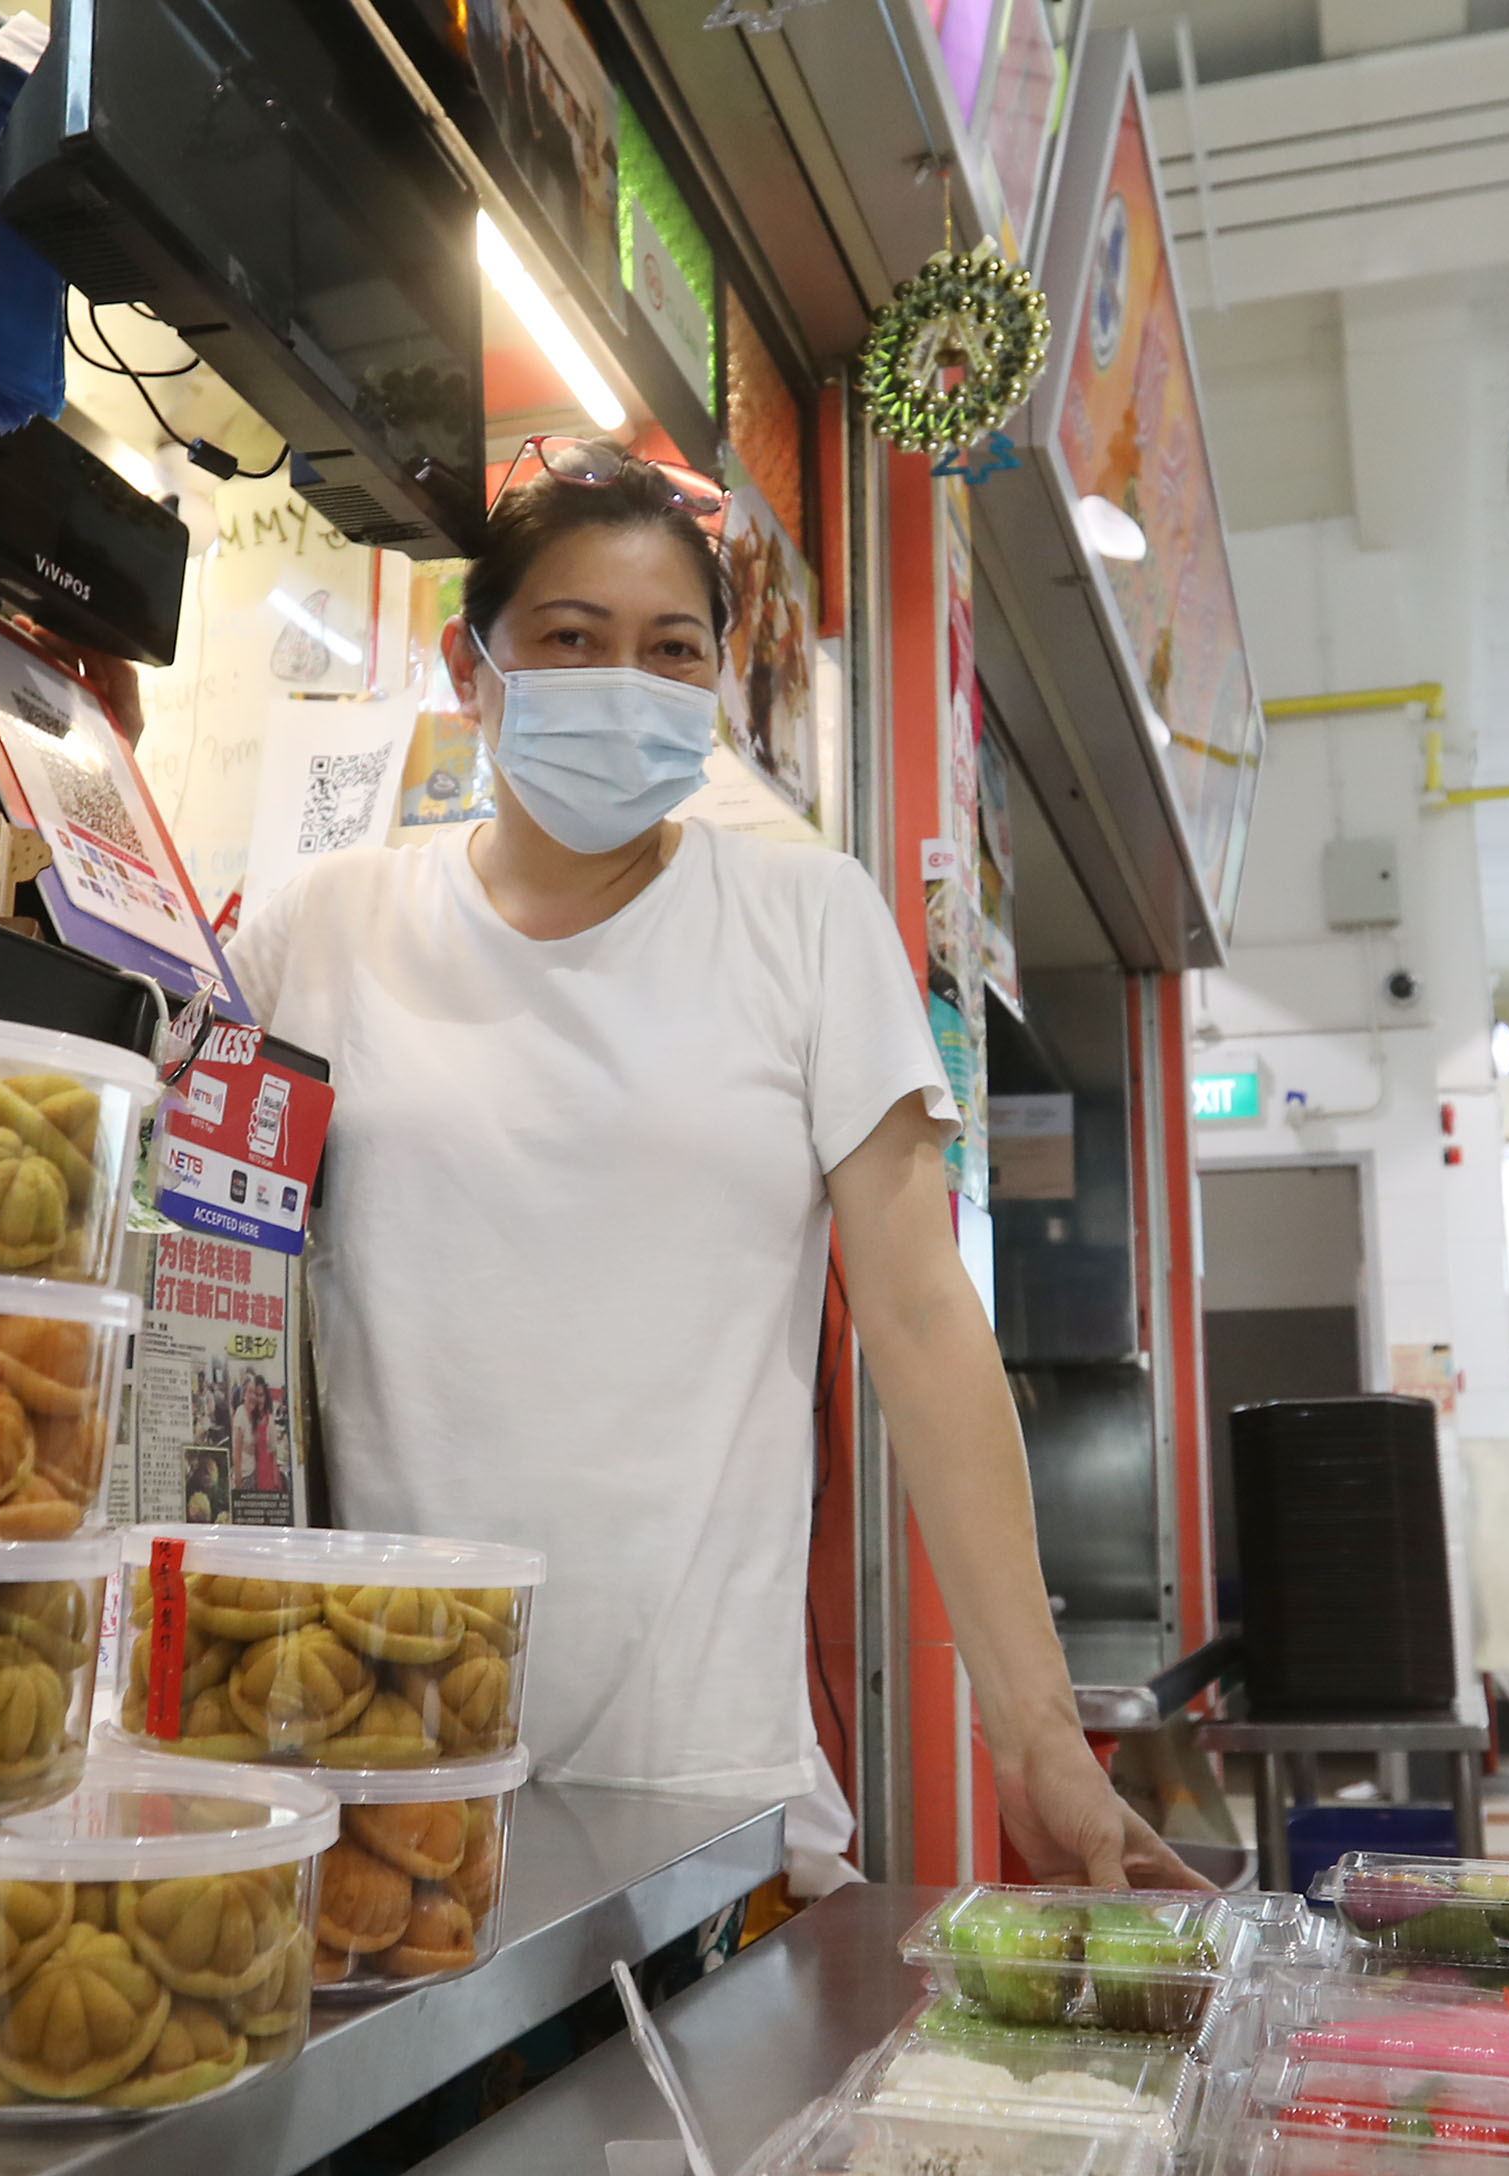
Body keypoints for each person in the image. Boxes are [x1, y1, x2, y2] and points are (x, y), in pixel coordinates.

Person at [234, 435, 1186, 1898]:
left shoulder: (807, 918)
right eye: (572, 639)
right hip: (384, 1767)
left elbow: (922, 1323)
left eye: (672, 650)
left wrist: (1038, 1731)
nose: (625, 683)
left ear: (720, 683)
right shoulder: (323, 928)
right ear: (469, 667)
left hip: (705, 1792)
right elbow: (203, 1298)